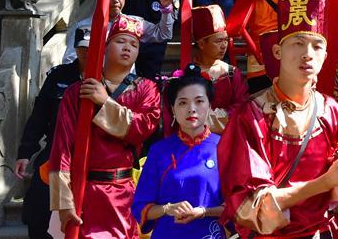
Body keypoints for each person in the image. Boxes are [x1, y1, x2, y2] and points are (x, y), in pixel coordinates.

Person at [219, 0, 338, 238]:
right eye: (298, 43)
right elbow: (253, 207)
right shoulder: (252, 115)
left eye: (317, 46)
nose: (307, 54)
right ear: (277, 51)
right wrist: (323, 183)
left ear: (326, 56)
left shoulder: (331, 111)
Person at [49, 15, 162, 238]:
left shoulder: (147, 89)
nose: (127, 48)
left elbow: (141, 129)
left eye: (134, 44)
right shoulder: (77, 92)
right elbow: (62, 149)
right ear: (105, 46)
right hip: (83, 192)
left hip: (123, 193)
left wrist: (104, 102)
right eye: (120, 41)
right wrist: (63, 203)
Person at [132, 64, 226, 238]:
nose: (191, 109)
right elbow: (140, 206)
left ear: (210, 106)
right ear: (173, 109)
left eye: (199, 101)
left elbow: (238, 205)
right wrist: (167, 208)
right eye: (183, 102)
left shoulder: (224, 147)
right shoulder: (159, 151)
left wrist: (205, 212)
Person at [14, 29, 88, 239]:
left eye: (91, 48)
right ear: (76, 49)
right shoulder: (59, 76)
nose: (87, 53)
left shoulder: (109, 79)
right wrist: (25, 152)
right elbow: (39, 115)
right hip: (56, 151)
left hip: (93, 157)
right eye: (82, 48)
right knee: (38, 211)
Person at [62, 0, 175, 65]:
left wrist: (166, 8)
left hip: (125, 84)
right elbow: (69, 59)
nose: (116, 0)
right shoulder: (83, 27)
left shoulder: (133, 23)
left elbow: (163, 34)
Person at [183, 4, 249, 133]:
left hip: (226, 136)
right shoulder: (188, 72)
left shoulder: (231, 72)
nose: (224, 45)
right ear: (202, 44)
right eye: (218, 41)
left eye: (226, 40)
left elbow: (242, 104)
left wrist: (211, 119)